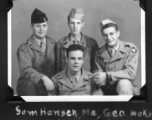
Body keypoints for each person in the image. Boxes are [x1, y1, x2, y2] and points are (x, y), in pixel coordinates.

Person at [16, 8, 57, 96]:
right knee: (27, 85)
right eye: (38, 26)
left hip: (51, 84)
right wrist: (43, 77)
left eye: (44, 25)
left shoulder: (54, 44)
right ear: (31, 26)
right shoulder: (24, 47)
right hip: (32, 85)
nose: (41, 29)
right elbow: (25, 70)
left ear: (47, 26)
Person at [94, 19, 139, 95]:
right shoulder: (99, 53)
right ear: (102, 36)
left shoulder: (130, 49)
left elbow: (130, 72)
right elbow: (100, 76)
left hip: (126, 89)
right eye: (105, 35)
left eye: (111, 34)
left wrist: (107, 75)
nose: (108, 37)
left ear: (118, 33)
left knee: (123, 83)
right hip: (107, 89)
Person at [56, 8, 99, 73]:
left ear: (82, 24)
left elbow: (95, 68)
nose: (75, 26)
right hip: (66, 81)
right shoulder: (60, 44)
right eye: (72, 23)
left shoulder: (91, 43)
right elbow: (57, 69)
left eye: (78, 23)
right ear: (68, 24)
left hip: (86, 81)